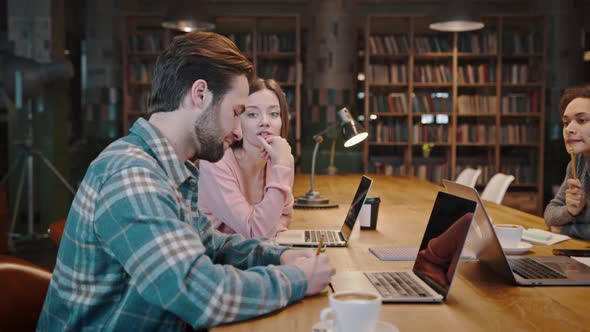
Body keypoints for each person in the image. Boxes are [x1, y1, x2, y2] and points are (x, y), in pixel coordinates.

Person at [37, 32, 335, 331]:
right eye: (236, 112)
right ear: (200, 94)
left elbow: (212, 245)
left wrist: (280, 254)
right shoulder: (131, 174)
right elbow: (200, 293)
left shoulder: (170, 169)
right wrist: (298, 279)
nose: (238, 130)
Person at [198, 78, 293, 238]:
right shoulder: (215, 162)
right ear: (238, 120)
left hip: (258, 253)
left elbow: (284, 216)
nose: (265, 122)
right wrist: (281, 166)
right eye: (252, 114)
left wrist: (281, 164)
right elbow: (254, 232)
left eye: (274, 114)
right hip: (216, 258)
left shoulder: (282, 159)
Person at [545, 86, 590, 240]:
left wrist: (566, 229)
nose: (569, 129)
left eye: (582, 120)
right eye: (566, 122)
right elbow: (550, 215)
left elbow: (557, 226)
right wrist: (570, 211)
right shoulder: (577, 162)